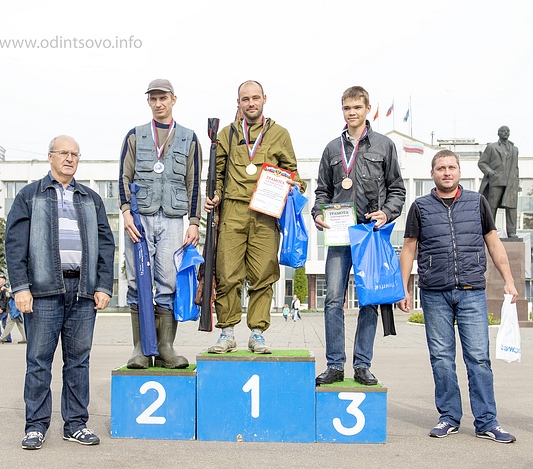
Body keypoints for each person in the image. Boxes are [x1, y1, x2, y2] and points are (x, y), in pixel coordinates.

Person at [398, 149, 517, 443]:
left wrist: (509, 280)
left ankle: (487, 421)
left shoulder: (477, 202)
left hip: (471, 292)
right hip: (434, 293)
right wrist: (403, 287)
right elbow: (409, 248)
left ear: (460, 171)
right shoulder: (420, 206)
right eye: (441, 168)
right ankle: (449, 417)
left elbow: (493, 242)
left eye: (451, 167)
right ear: (432, 174)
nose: (447, 172)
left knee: (478, 359)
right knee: (441, 358)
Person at [5, 135, 115, 450]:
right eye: (63, 153)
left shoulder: (91, 199)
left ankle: (76, 424)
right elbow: (14, 244)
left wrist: (103, 285)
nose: (69, 158)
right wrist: (20, 288)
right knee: (39, 361)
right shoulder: (29, 195)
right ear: (50, 156)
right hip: (42, 292)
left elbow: (106, 244)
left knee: (78, 362)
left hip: (82, 292)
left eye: (75, 154)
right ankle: (35, 427)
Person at [312, 86, 405, 386]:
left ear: (367, 109)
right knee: (332, 300)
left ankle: (362, 365)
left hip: (370, 234)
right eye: (346, 108)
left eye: (356, 107)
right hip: (339, 237)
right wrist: (318, 213)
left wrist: (386, 213)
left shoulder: (384, 145)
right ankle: (335, 365)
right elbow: (322, 192)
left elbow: (397, 189)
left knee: (369, 300)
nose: (351, 113)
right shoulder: (331, 149)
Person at [205, 80, 305, 354]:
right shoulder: (226, 134)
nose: (251, 103)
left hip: (265, 215)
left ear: (264, 99)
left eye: (255, 98)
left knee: (264, 274)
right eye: (245, 99)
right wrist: (214, 195)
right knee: (227, 274)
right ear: (238, 102)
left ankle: (257, 334)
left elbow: (293, 172)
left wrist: (295, 185)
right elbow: (217, 174)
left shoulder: (280, 134)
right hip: (232, 212)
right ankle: (227, 333)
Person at [119, 79, 202, 369]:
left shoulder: (189, 138)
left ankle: (165, 347)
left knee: (168, 282)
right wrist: (126, 212)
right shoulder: (135, 135)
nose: (158, 103)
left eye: (163, 98)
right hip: (139, 219)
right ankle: (141, 348)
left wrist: (194, 222)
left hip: (173, 219)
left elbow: (194, 182)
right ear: (148, 102)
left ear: (173, 99)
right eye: (153, 99)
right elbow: (124, 176)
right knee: (137, 281)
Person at [478, 125, 520, 238]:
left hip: (511, 183)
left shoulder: (514, 149)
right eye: (503, 131)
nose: (505, 132)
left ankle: (511, 232)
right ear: (498, 133)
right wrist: (490, 172)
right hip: (496, 181)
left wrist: (517, 183)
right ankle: (490, 231)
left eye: (507, 131)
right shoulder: (491, 147)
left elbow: (516, 168)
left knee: (511, 208)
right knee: (492, 207)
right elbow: (482, 163)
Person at [0, 275, 11, 344]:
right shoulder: (1, 288)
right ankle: (8, 338)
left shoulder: (4, 288)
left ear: (4, 280)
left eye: (0, 279)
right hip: (4, 308)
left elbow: (5, 299)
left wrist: (2, 308)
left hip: (4, 309)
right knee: (4, 323)